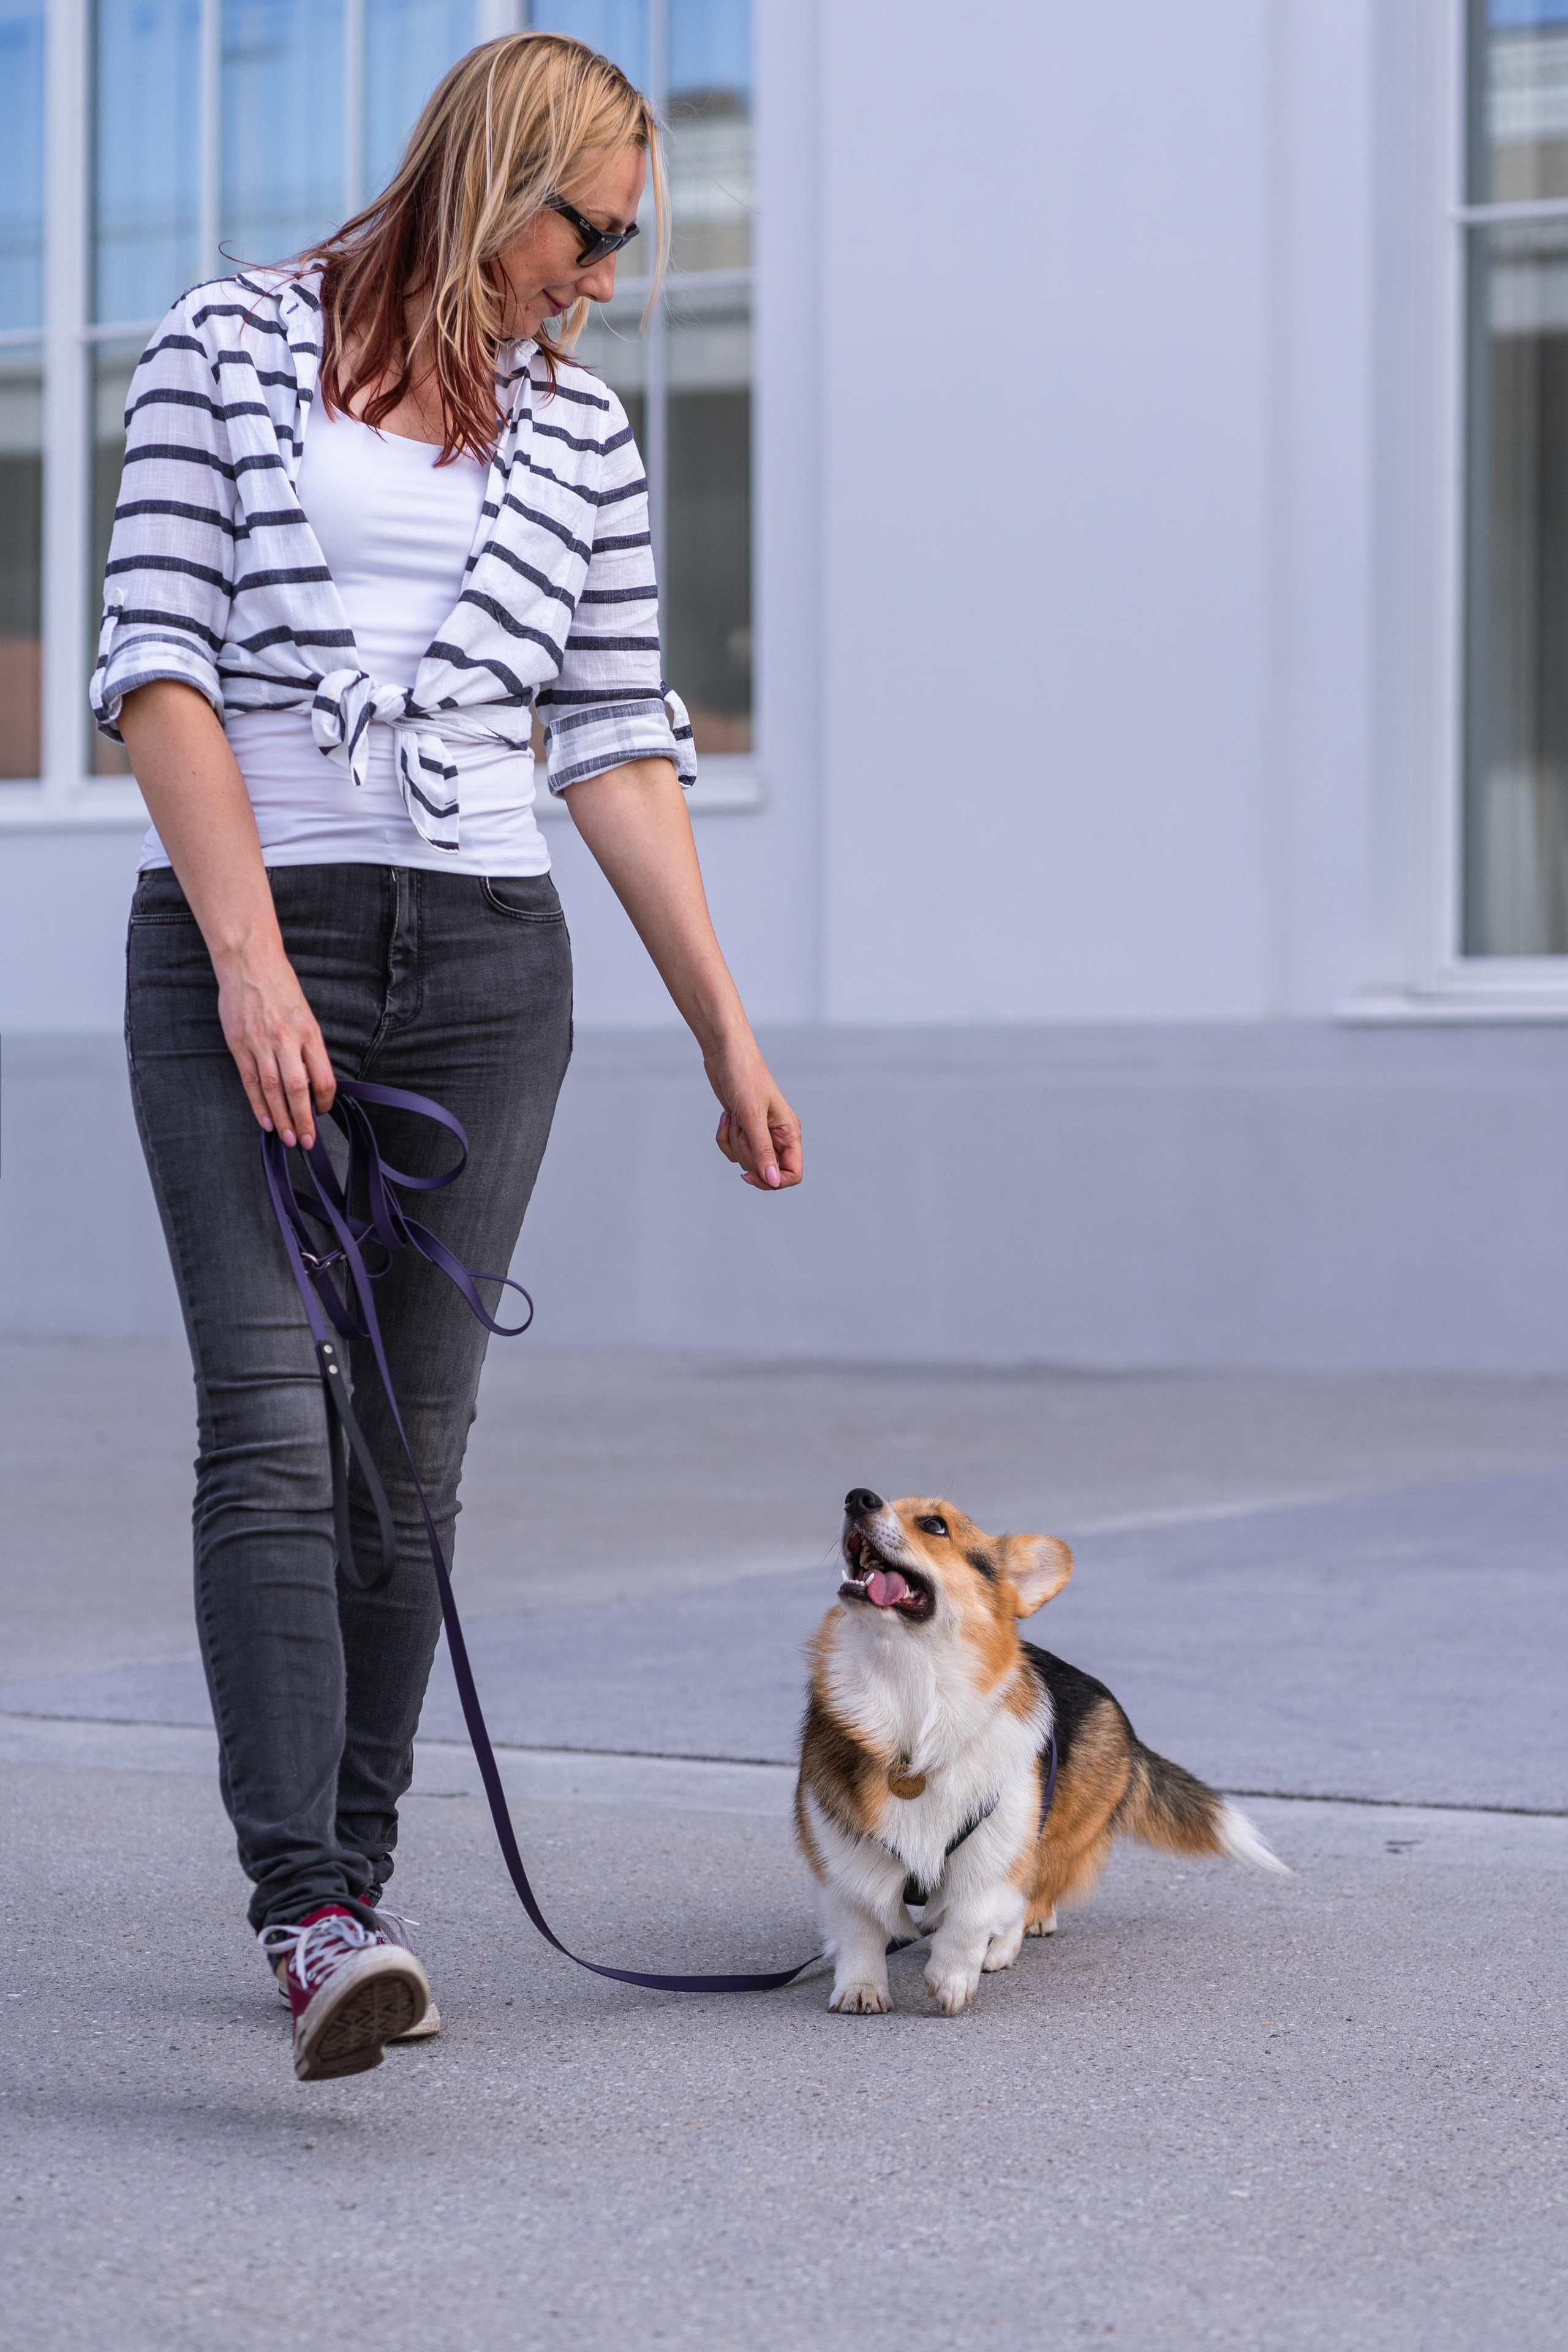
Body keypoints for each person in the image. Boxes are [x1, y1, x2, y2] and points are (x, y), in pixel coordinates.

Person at [94, 30, 801, 2085]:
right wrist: (248, 959)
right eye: (589, 236)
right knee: (270, 1413)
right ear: (496, 180)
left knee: (408, 1458)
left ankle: (362, 1901)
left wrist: (723, 1028)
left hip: (491, 966)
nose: (602, 281)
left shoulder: (577, 437)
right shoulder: (224, 345)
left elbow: (614, 742)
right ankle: (304, 1901)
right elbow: (155, 665)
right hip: (254, 940)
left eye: (623, 252)